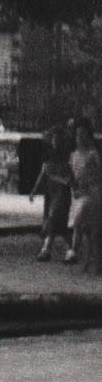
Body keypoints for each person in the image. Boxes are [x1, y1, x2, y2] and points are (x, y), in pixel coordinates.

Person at [29, 125, 72, 261]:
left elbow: (70, 176)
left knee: (54, 217)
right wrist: (34, 191)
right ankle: (63, 248)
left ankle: (49, 248)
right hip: (51, 192)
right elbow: (43, 175)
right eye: (54, 139)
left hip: (62, 192)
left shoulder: (67, 157)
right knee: (55, 220)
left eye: (59, 139)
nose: (56, 142)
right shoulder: (48, 156)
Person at [68, 117, 102, 273]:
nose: (80, 138)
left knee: (82, 220)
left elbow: (99, 175)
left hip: (92, 192)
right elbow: (72, 176)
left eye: (83, 135)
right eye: (77, 135)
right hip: (79, 193)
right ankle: (91, 261)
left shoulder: (93, 154)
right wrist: (74, 189)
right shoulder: (74, 155)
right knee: (88, 231)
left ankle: (74, 249)